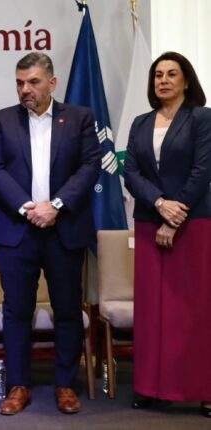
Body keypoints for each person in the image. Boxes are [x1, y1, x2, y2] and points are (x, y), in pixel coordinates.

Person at [0, 52, 101, 415]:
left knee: (67, 310)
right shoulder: (1, 120)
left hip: (63, 228)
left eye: (33, 82)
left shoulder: (79, 118)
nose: (25, 89)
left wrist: (57, 205)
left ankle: (65, 384)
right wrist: (28, 207)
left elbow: (90, 165)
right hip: (17, 230)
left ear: (52, 82)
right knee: (17, 311)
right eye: (19, 82)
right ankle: (20, 386)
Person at [123, 51, 211, 418]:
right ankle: (150, 387)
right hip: (148, 222)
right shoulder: (141, 123)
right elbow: (130, 172)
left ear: (186, 81)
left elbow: (203, 169)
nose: (164, 80)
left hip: (194, 225)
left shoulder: (202, 119)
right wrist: (160, 205)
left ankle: (203, 389)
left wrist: (175, 216)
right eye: (158, 74)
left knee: (193, 312)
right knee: (152, 311)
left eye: (172, 74)